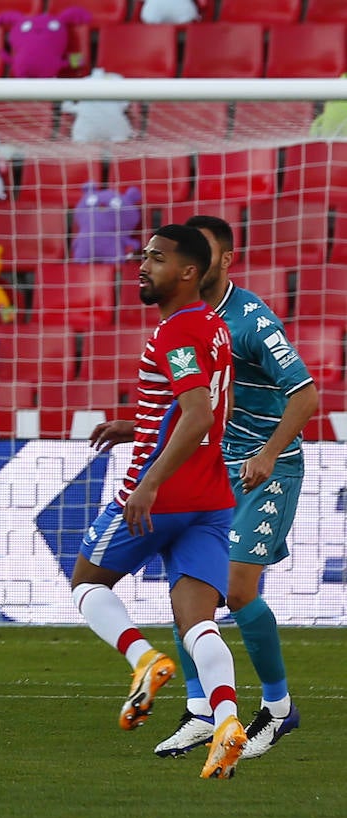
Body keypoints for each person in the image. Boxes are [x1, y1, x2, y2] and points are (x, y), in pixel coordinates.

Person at [145, 215, 319, 760]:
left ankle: (278, 707)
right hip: (213, 464)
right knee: (188, 590)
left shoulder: (251, 321)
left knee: (238, 589)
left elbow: (306, 394)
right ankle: (201, 710)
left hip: (267, 466)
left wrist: (268, 453)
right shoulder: (187, 320)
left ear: (222, 262)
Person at [76, 223, 246, 780]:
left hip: (163, 492)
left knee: (87, 584)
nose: (143, 266)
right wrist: (141, 425)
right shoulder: (213, 326)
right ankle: (226, 723)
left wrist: (149, 481)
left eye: (157, 258)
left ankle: (144, 659)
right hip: (211, 495)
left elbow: (196, 413)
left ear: (189, 272)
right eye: (144, 256)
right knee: (199, 623)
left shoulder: (174, 332)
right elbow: (199, 404)